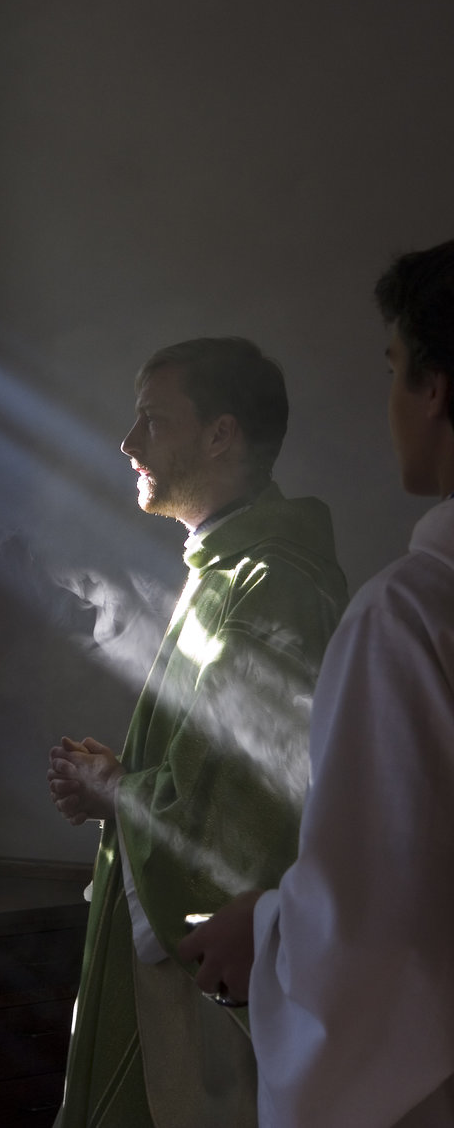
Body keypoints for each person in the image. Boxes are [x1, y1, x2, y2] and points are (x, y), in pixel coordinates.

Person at [178, 243, 454, 1127]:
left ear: (436, 388)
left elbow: (373, 941)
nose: (126, 445)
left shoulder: (408, 616)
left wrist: (261, 930)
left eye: (394, 369)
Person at [48, 337, 347, 1128]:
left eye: (151, 419)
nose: (128, 443)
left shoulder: (272, 581)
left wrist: (115, 791)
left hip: (219, 989)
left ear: (221, 435)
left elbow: (247, 818)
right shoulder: (222, 567)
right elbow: (208, 769)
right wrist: (124, 782)